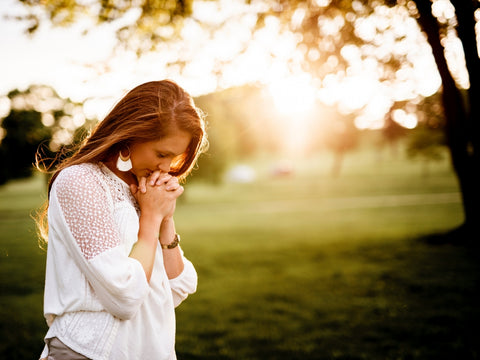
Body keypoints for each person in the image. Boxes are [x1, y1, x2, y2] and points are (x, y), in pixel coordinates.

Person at [36, 80, 208, 360]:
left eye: (174, 158)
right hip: (87, 352)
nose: (166, 168)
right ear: (131, 135)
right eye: (161, 154)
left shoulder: (144, 189)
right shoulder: (81, 182)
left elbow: (177, 286)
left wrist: (165, 218)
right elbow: (125, 295)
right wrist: (151, 218)